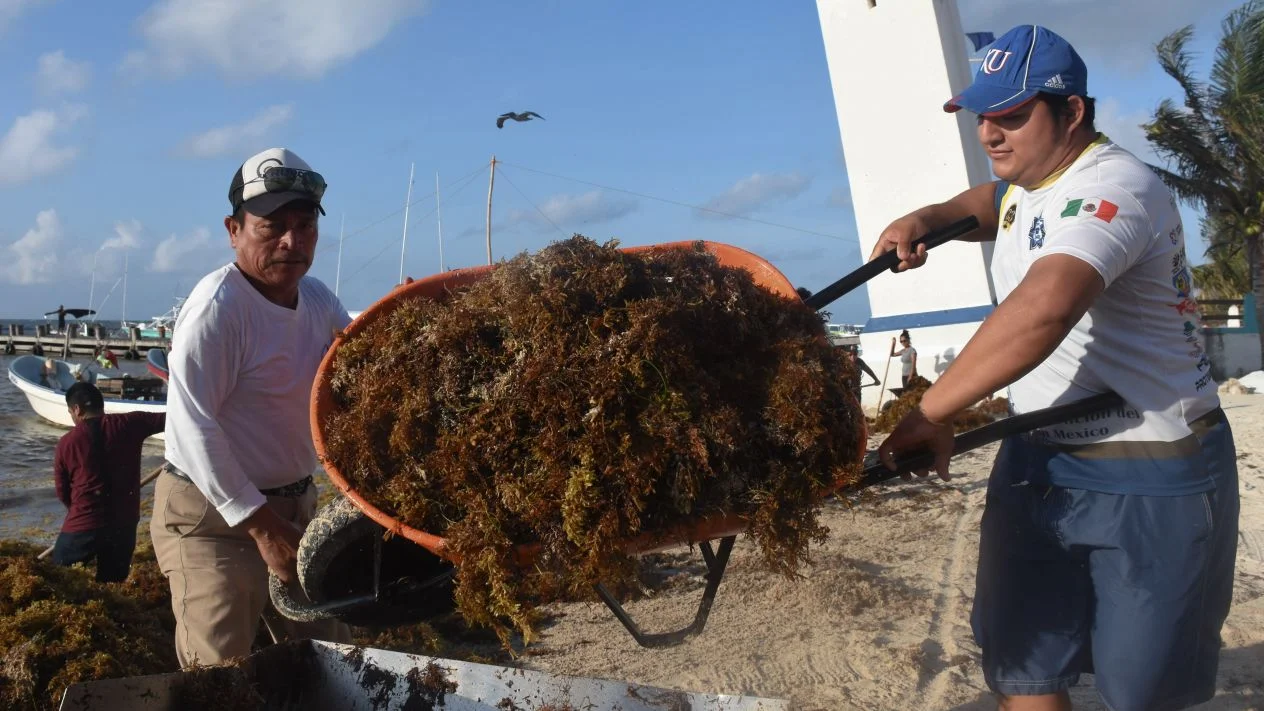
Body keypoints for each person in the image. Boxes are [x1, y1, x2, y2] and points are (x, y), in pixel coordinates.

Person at [871, 25, 1238, 711]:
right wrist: (932, 216)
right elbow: (997, 205)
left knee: (1142, 692)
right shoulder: (1029, 181)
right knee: (1024, 664)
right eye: (984, 115)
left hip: (1152, 461)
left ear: (1071, 112)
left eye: (1011, 115)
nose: (990, 134)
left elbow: (1045, 307)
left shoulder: (1118, 189)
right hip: (1038, 457)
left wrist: (931, 412)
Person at [150, 147, 353, 668]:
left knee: (328, 658)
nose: (292, 241)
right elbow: (191, 426)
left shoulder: (319, 299)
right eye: (273, 226)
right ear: (233, 229)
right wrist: (262, 528)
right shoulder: (218, 310)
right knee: (221, 671)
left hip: (296, 506)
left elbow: (360, 369)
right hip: (212, 518)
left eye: (305, 226)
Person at [52, 382, 165, 582]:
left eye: (70, 412)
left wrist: (77, 511)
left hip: (84, 523)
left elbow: (62, 491)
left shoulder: (67, 442)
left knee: (58, 578)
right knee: (112, 586)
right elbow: (174, 418)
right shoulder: (131, 423)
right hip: (124, 523)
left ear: (77, 409)